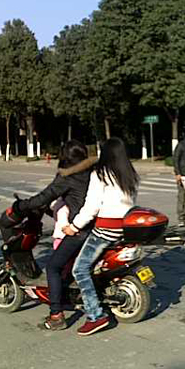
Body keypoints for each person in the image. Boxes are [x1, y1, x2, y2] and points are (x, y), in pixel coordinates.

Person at [12, 140, 96, 330]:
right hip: (98, 227)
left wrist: (21, 206)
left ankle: (56, 315)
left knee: (52, 267)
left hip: (79, 230)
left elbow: (45, 196)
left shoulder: (68, 176)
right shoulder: (94, 171)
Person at [64, 138, 139, 336]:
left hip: (106, 229)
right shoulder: (129, 173)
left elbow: (92, 207)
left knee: (79, 269)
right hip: (125, 228)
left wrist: (73, 226)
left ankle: (95, 316)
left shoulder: (100, 174)